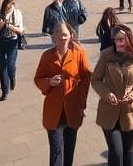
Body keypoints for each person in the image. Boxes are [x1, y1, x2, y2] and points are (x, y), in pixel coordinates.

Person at [91, 24, 133, 166]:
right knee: (116, 151)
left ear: (129, 39)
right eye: (115, 39)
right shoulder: (106, 55)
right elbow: (95, 80)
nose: (117, 43)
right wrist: (107, 94)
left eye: (121, 39)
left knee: (128, 150)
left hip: (130, 110)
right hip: (109, 110)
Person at [34, 22, 92, 166]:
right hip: (53, 109)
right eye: (58, 33)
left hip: (72, 107)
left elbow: (86, 78)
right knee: (56, 149)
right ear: (54, 36)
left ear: (71, 35)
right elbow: (38, 79)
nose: (62, 37)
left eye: (64, 34)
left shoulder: (79, 53)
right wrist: (49, 82)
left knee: (69, 147)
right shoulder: (47, 55)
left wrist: (82, 104)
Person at [0, 0, 25, 101]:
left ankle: (12, 77)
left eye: (8, 7)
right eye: (5, 7)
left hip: (12, 42)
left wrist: (10, 26)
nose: (6, 9)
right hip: (0, 42)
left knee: (10, 66)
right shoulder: (1, 14)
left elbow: (21, 30)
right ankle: (5, 92)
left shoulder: (17, 13)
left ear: (12, 5)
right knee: (2, 68)